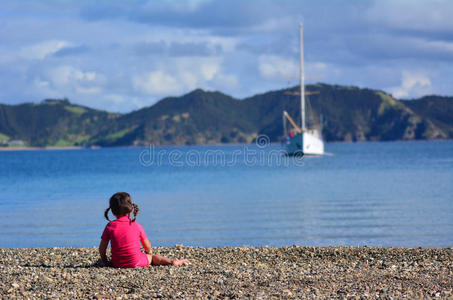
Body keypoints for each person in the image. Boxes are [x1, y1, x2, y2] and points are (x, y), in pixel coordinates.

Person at [99, 192, 189, 268]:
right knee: (152, 257)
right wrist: (148, 253)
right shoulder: (137, 225)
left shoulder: (110, 226)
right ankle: (171, 262)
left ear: (113, 212)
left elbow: (102, 248)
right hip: (136, 261)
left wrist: (105, 261)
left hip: (117, 263)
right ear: (131, 210)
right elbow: (148, 247)